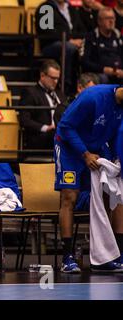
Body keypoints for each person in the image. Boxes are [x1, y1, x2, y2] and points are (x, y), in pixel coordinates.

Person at [55, 84, 123, 273]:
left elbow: (118, 135)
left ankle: (106, 255)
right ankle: (67, 257)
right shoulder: (93, 96)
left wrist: (117, 159)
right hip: (69, 147)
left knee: (110, 195)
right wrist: (84, 154)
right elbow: (65, 126)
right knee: (69, 197)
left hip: (97, 147)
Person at [36, 0, 87, 95]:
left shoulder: (71, 8)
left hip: (71, 44)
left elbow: (82, 28)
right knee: (69, 48)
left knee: (87, 47)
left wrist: (80, 40)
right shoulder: (46, 8)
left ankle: (84, 83)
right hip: (51, 45)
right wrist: (69, 40)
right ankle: (66, 86)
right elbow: (46, 32)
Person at [19, 60, 67, 153]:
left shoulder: (60, 94)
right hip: (41, 136)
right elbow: (25, 120)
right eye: (52, 78)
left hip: (60, 134)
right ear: (42, 76)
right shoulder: (30, 92)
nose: (55, 81)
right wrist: (46, 127)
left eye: (57, 78)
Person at [82, 8, 123, 84]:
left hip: (118, 73)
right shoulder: (91, 37)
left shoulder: (118, 37)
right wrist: (103, 69)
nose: (111, 21)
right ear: (99, 21)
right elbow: (85, 62)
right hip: (100, 73)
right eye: (107, 18)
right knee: (103, 78)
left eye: (113, 18)